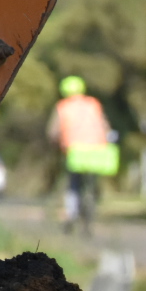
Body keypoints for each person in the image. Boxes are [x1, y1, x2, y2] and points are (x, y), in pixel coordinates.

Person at [46, 76, 117, 233]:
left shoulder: (63, 107)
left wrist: (54, 143)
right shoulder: (93, 104)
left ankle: (71, 214)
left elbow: (53, 131)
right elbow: (105, 125)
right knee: (92, 182)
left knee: (73, 184)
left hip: (75, 150)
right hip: (99, 150)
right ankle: (92, 206)